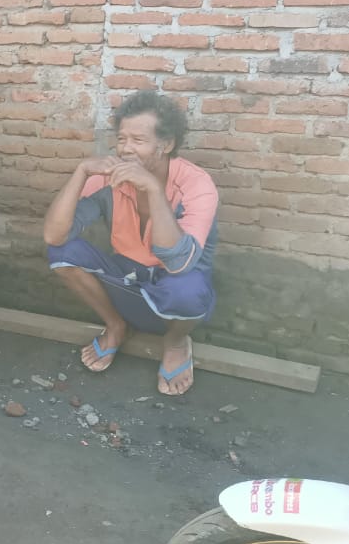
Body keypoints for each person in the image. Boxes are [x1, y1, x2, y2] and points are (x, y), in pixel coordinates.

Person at [42, 90, 218, 396]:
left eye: (138, 140)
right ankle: (116, 326)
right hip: (128, 275)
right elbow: (54, 236)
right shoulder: (109, 177)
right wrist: (81, 172)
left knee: (188, 293)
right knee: (61, 252)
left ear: (166, 145)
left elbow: (179, 263)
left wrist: (153, 189)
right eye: (122, 139)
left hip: (175, 282)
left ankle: (176, 342)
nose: (126, 149)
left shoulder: (197, 185)